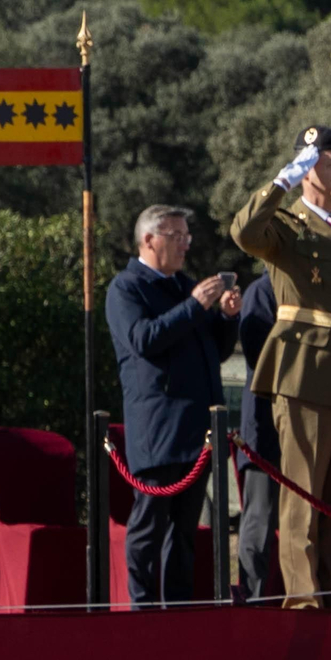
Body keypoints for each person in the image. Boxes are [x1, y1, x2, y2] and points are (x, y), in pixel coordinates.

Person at [229, 125, 331, 610]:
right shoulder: (287, 226)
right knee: (304, 502)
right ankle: (304, 605)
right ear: (305, 170)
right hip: (305, 374)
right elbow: (243, 232)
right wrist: (280, 184)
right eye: (328, 163)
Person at [105, 203, 241, 607]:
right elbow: (144, 340)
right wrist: (195, 305)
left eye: (187, 237)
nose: (185, 246)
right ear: (149, 240)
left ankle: (178, 610)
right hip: (158, 426)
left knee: (184, 531)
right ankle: (142, 608)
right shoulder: (127, 288)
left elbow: (214, 350)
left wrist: (227, 317)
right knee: (150, 524)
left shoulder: (184, 286)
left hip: (197, 429)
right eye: (176, 237)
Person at [234, 273, 280, 602]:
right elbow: (257, 356)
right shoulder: (263, 291)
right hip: (265, 431)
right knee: (259, 526)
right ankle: (253, 602)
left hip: (303, 434)